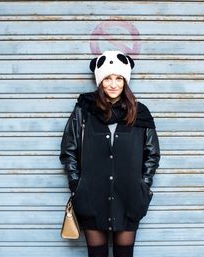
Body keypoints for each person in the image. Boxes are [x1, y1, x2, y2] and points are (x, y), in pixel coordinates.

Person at [59, 50, 161, 257]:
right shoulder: (84, 110)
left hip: (129, 197)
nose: (113, 84)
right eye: (107, 78)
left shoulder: (140, 112)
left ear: (125, 81)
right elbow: (68, 149)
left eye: (118, 78)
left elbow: (152, 154)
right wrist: (77, 185)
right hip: (91, 198)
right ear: (99, 81)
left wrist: (143, 186)